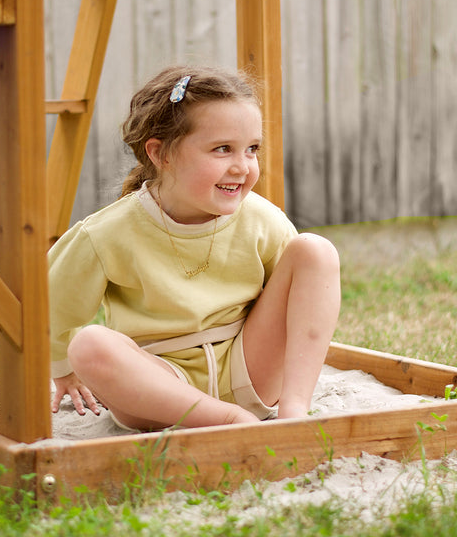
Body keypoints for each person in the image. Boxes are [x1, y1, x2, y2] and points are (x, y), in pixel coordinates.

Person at [48, 64, 341, 430]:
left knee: (315, 250)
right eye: (223, 149)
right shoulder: (107, 233)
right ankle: (230, 420)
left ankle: (294, 414)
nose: (242, 166)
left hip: (250, 372)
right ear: (160, 154)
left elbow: (300, 299)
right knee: (89, 344)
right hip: (159, 392)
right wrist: (63, 370)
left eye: (251, 149)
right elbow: (50, 307)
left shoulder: (261, 219)